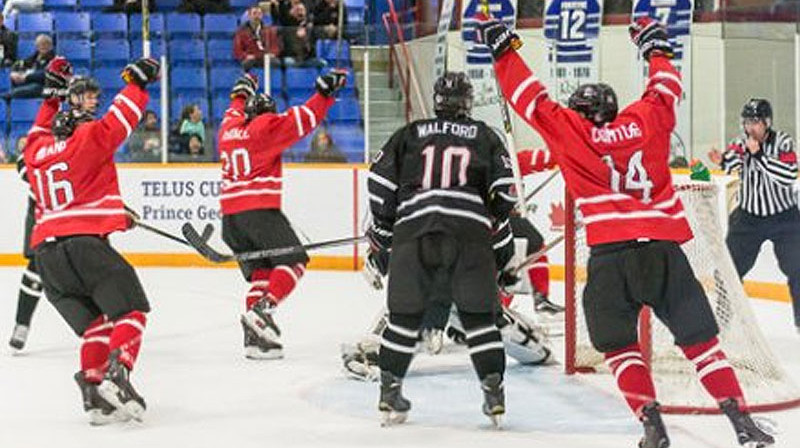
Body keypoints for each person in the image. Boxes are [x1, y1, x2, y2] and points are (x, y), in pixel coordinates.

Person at [478, 15, 774, 447]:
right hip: (664, 251)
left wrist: (504, 52)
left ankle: (652, 428)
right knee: (702, 344)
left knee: (620, 348)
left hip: (612, 256)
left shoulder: (569, 130)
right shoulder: (648, 118)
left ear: (580, 111)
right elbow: (666, 87)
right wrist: (655, 48)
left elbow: (531, 98)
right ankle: (742, 423)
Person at [366, 71, 517, 427]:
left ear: (436, 101)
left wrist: (385, 231)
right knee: (479, 318)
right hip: (467, 234)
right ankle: (493, 393)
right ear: (467, 101)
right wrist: (498, 240)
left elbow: (379, 183)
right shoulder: (484, 135)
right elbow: (505, 193)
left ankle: (390, 393)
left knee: (403, 318)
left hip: (413, 230)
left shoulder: (410, 133)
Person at [24, 56, 160, 424]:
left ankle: (93, 392)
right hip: (84, 246)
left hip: (48, 257)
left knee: (96, 326)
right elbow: (122, 116)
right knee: (131, 312)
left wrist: (50, 99)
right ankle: (119, 375)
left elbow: (39, 132)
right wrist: (137, 84)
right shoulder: (89, 136)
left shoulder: (34, 154)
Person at [217, 68, 346, 359]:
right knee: (295, 261)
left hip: (231, 219)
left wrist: (241, 92)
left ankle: (255, 340)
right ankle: (263, 311)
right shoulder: (265, 127)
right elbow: (303, 119)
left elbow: (233, 109)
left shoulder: (228, 128)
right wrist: (324, 95)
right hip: (258, 212)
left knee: (261, 275)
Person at [709, 99, 800, 334]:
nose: (751, 127)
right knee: (727, 271)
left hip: (784, 218)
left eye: (756, 122)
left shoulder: (783, 142)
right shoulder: (741, 143)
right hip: (749, 218)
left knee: (797, 269)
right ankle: (722, 323)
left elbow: (788, 175)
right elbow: (733, 160)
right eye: (747, 122)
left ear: (767, 123)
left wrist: (759, 156)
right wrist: (721, 159)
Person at [3, 34, 54, 99]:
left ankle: (6, 96)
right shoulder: (35, 56)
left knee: (18, 91)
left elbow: (45, 74)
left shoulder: (54, 59)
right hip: (28, 82)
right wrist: (13, 73)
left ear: (50, 46)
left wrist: (26, 77)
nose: (42, 46)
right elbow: (20, 64)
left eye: (45, 44)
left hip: (43, 85)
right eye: (39, 44)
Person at [233, 4, 281, 71]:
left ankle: (273, 80)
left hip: (265, 57)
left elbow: (275, 46)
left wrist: (273, 53)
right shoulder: (241, 32)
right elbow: (237, 50)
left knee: (276, 62)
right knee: (246, 64)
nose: (257, 16)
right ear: (249, 15)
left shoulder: (269, 31)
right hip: (251, 58)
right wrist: (246, 56)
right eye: (254, 13)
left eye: (259, 14)